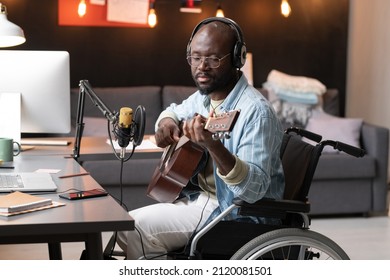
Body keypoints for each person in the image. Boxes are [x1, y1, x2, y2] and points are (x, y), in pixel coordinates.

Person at [117, 17, 285, 259]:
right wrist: (166, 122)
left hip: (234, 211)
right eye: (195, 57)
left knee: (132, 230)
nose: (201, 67)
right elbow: (174, 110)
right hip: (201, 198)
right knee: (124, 226)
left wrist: (214, 146)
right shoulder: (205, 98)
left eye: (213, 58)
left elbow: (253, 190)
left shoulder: (256, 112)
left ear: (237, 59)